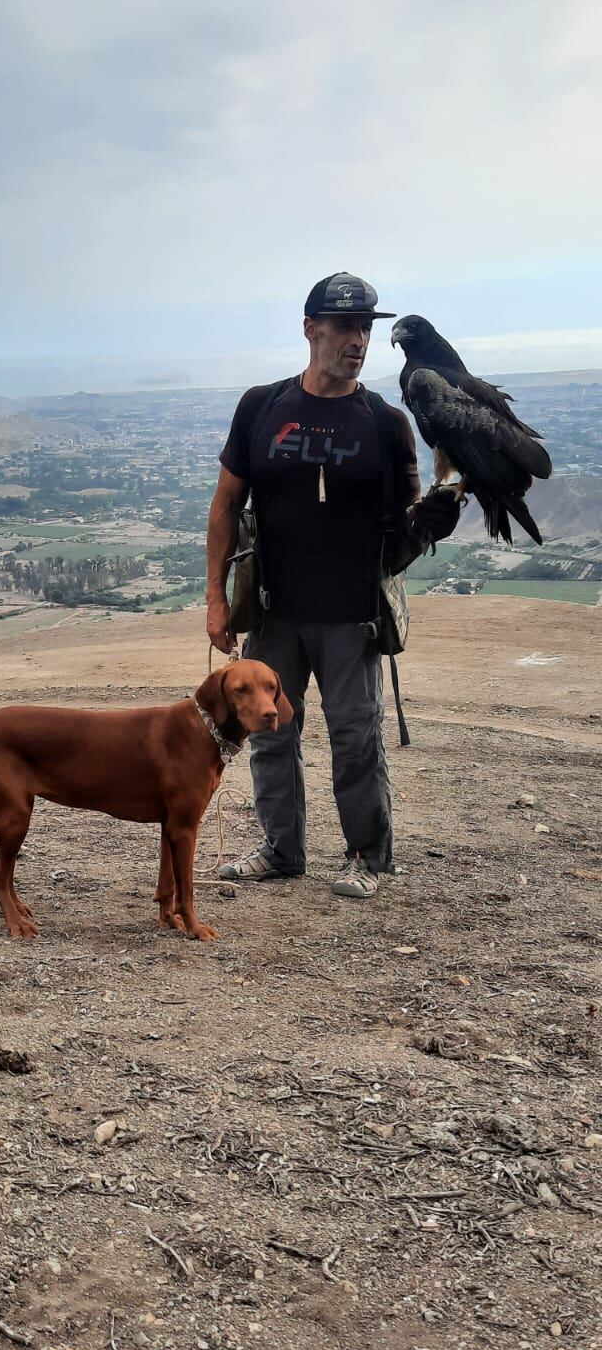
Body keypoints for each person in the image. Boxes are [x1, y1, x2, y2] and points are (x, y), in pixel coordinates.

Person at [205, 272, 460, 898]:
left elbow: (403, 529)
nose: (359, 340)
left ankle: (367, 859)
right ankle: (281, 852)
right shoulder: (261, 407)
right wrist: (215, 597)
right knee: (268, 732)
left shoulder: (385, 423)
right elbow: (225, 505)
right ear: (310, 328)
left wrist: (431, 521)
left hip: (352, 614)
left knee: (356, 739)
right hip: (273, 610)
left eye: (365, 328)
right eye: (345, 325)